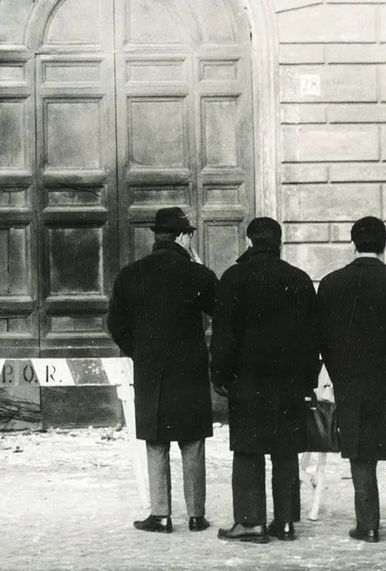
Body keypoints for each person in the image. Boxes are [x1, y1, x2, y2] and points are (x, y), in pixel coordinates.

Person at [315, 216, 386, 545]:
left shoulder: (330, 284)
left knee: (361, 453)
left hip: (352, 385)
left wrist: (337, 377)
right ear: (384, 245)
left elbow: (322, 340)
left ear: (352, 244)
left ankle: (367, 525)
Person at [106, 206, 218, 534]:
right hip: (190, 368)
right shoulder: (198, 274)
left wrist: (139, 351)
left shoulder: (131, 273)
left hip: (151, 367)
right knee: (193, 440)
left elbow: (116, 323)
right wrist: (201, 268)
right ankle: (196, 515)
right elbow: (222, 310)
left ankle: (161, 515)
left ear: (156, 236)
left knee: (156, 440)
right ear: (183, 237)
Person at [210, 216, 320, 544]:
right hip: (289, 382)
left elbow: (224, 336)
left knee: (248, 450)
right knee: (286, 449)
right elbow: (313, 337)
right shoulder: (299, 280)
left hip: (247, 381)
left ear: (249, 242)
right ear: (279, 243)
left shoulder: (233, 278)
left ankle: (250, 522)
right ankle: (285, 522)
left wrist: (220, 375)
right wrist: (308, 380)